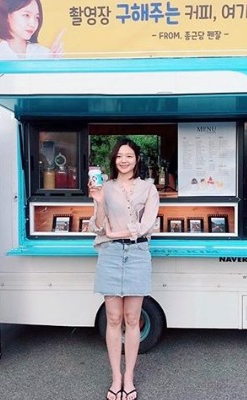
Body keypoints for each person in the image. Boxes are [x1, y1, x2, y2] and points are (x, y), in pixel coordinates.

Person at [88, 138, 160, 400]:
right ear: (114, 160)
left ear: (136, 159)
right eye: (119, 156)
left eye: (129, 156)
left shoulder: (149, 189)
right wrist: (97, 202)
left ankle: (129, 378)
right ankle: (115, 377)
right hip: (110, 254)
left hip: (138, 254)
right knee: (113, 318)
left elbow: (147, 226)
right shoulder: (104, 187)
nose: (124, 160)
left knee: (132, 319)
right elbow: (97, 228)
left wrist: (115, 231)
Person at [0, 0, 64, 60]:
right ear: (7, 15)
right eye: (26, 15)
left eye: (37, 17)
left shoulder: (45, 55)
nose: (33, 23)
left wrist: (53, 64)